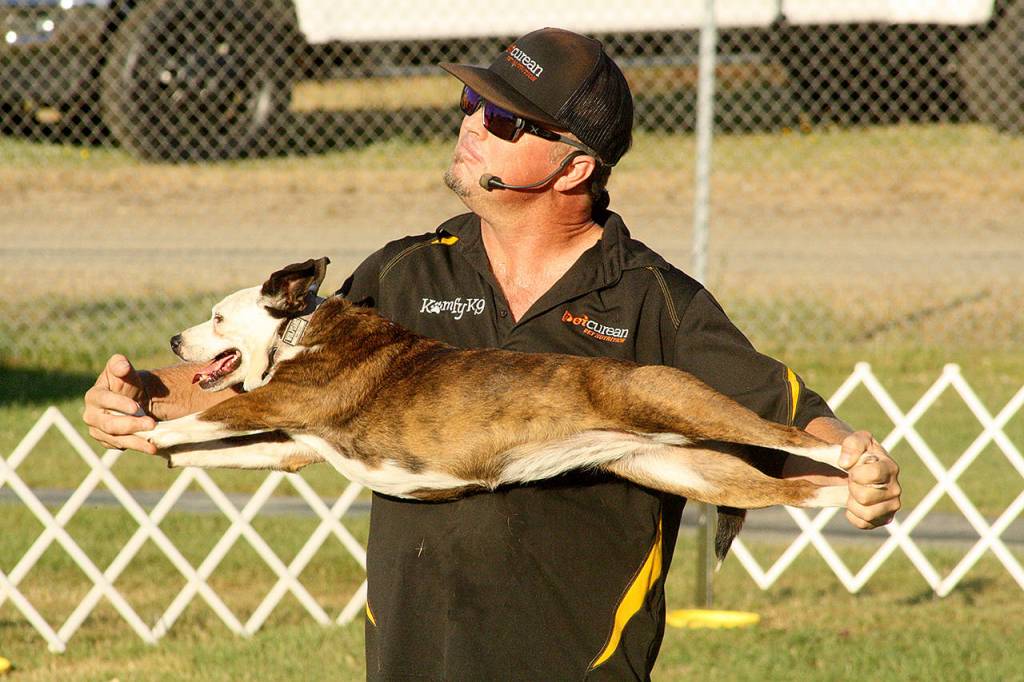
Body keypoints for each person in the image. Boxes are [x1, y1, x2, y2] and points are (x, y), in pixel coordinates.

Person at [83, 27, 900, 681]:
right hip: (410, 657)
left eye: (505, 119)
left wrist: (851, 466)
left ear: (575, 165)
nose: (472, 123)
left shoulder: (655, 300)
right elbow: (268, 383)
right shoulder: (405, 271)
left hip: (577, 662)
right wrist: (145, 397)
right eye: (474, 100)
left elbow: (781, 413)